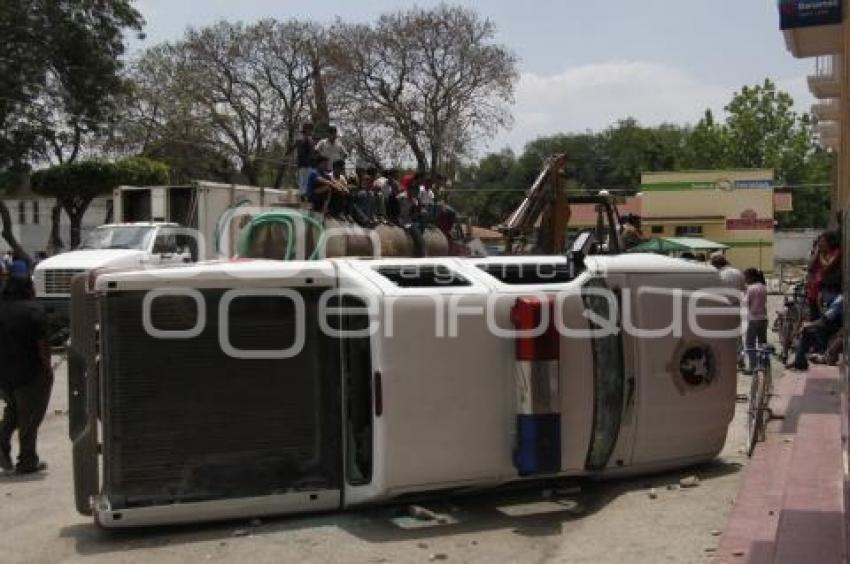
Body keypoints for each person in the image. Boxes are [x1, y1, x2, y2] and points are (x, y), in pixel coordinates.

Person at [0, 276, 53, 475]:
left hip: (4, 375)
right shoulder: (34, 311)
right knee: (30, 418)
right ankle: (27, 460)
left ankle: (2, 442)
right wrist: (47, 369)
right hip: (30, 374)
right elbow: (42, 345)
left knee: (13, 411)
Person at [788, 280, 843, 371]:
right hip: (834, 326)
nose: (823, 298)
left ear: (829, 291)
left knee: (809, 330)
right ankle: (800, 360)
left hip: (839, 329)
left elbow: (825, 319)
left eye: (824, 294)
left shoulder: (839, 300)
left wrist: (808, 325)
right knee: (808, 331)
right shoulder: (835, 300)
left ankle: (803, 360)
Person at [806, 231, 841, 320]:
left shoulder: (835, 252)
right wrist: (817, 253)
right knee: (814, 316)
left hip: (828, 289)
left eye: (822, 241)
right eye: (819, 242)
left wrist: (820, 255)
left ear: (829, 242)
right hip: (814, 290)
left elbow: (827, 267)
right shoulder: (819, 253)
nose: (820, 244)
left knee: (827, 317)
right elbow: (810, 266)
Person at [743, 268, 768, 375]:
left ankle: (753, 367)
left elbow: (746, 302)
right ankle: (764, 365)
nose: (745, 279)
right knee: (762, 343)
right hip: (763, 319)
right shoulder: (763, 287)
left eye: (746, 277)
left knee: (750, 344)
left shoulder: (751, 288)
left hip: (753, 319)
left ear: (751, 277)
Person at [294, 123, 316, 196]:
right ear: (307, 130)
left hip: (308, 165)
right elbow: (301, 151)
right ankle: (302, 197)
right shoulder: (302, 139)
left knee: (305, 184)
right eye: (310, 130)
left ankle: (304, 196)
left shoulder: (309, 139)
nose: (311, 132)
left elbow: (312, 152)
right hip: (303, 165)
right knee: (303, 184)